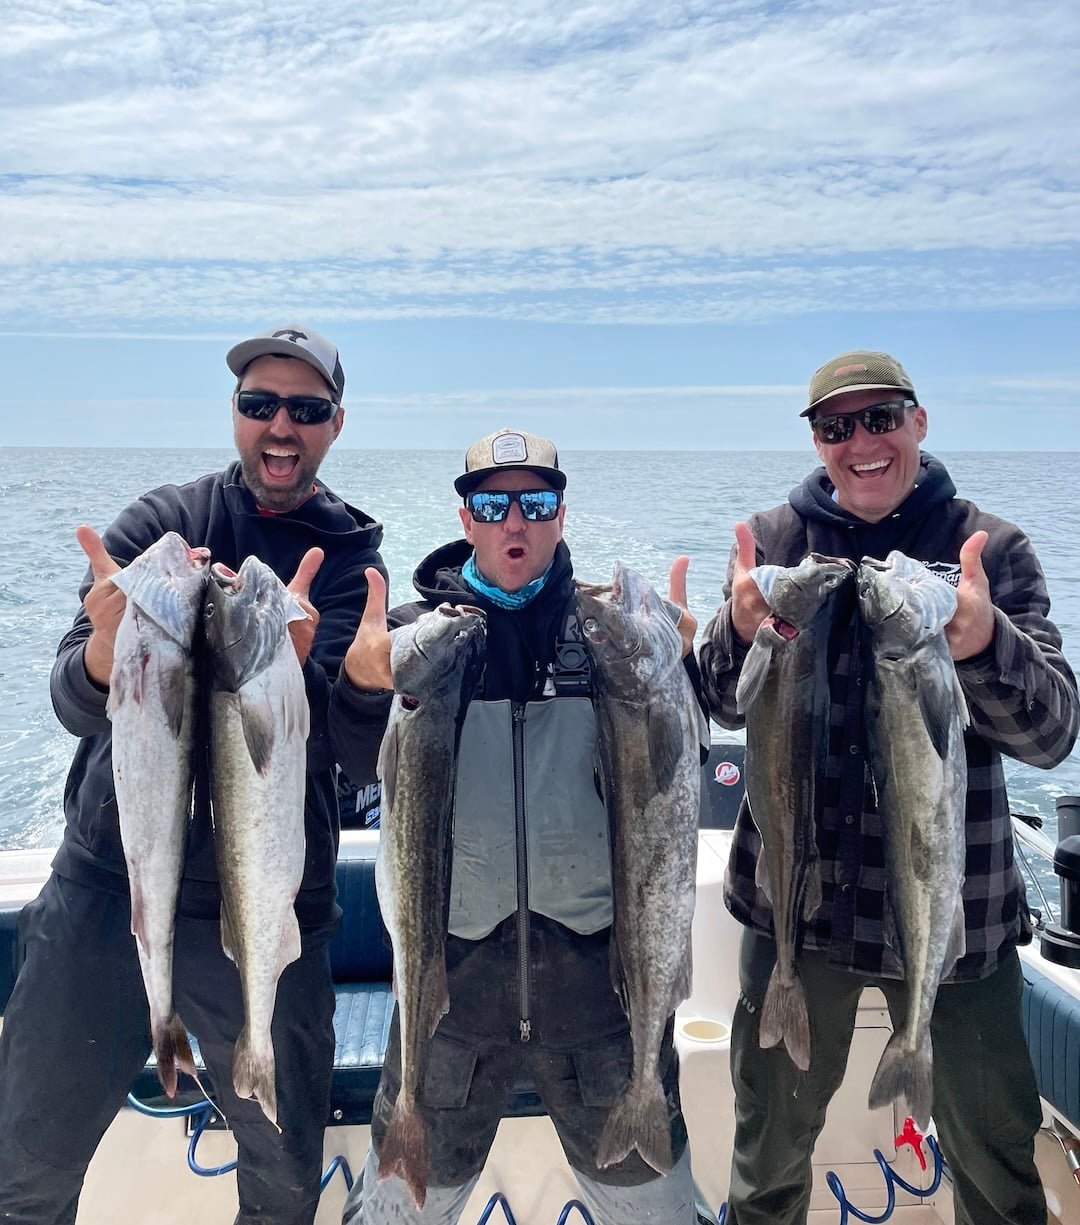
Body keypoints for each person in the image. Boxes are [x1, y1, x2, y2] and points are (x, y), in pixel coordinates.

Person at [0, 325, 386, 1225]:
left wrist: (316, 687)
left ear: (335, 423)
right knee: (24, 1170)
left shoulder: (349, 563)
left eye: (306, 408)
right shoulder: (154, 528)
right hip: (110, 888)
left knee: (285, 1186)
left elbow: (351, 754)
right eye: (260, 404)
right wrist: (103, 647)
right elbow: (71, 695)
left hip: (267, 907)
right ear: (236, 414)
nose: (280, 426)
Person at [698, 350, 1079, 1225]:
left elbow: (1054, 733)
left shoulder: (991, 548)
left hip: (961, 920)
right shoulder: (773, 543)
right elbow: (714, 701)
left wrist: (985, 643)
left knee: (997, 1168)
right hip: (802, 918)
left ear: (919, 421)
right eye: (837, 426)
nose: (861, 441)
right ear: (817, 441)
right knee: (767, 1165)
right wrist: (736, 627)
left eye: (880, 418)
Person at [331, 428, 718, 1225]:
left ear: (561, 513)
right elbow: (348, 750)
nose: (516, 521)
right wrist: (361, 684)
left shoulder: (609, 637)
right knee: (397, 1214)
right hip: (448, 1009)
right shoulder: (413, 636)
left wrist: (710, 653)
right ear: (465, 515)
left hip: (600, 1003)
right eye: (493, 502)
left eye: (536, 502)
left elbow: (701, 743)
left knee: (662, 1214)